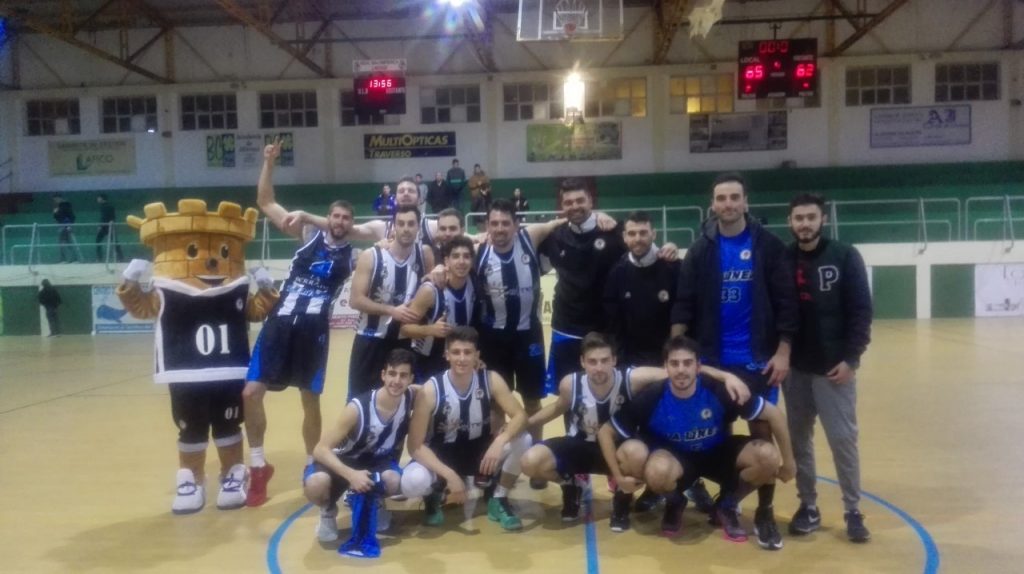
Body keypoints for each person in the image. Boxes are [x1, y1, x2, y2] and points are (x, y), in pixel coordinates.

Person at [670, 172, 798, 550]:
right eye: (721, 198)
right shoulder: (701, 250)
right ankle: (721, 497)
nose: (728, 204)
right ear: (713, 204)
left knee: (763, 436)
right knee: (714, 432)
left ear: (745, 202)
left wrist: (783, 351)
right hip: (713, 361)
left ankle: (763, 512)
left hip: (758, 361)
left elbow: (787, 303)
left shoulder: (768, 246)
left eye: (734, 197)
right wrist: (675, 350)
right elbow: (684, 304)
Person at [519, 332, 749, 525]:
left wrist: (727, 376)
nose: (599, 367)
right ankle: (571, 485)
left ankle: (622, 498)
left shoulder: (632, 379)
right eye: (592, 361)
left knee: (637, 450)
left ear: (614, 360)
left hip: (618, 450)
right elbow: (557, 408)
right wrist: (523, 425)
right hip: (579, 445)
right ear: (582, 362)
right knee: (530, 461)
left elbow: (681, 370)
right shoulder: (571, 384)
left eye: (604, 360)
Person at [243, 139, 357, 507]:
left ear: (350, 223)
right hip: (279, 323)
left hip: (313, 332)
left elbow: (380, 235)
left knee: (310, 401)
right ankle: (258, 465)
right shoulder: (306, 233)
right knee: (250, 393)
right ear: (329, 217)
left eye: (346, 218)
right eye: (335, 216)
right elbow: (265, 202)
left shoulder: (354, 255)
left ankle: (312, 465)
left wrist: (313, 215)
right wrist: (269, 162)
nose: (339, 222)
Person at [597, 336, 796, 542]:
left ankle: (727, 505)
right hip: (677, 460)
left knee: (767, 456)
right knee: (656, 471)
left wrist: (789, 462)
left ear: (698, 366)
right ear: (666, 367)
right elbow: (606, 431)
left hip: (717, 454)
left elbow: (774, 414)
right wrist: (618, 477)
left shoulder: (719, 390)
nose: (681, 370)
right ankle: (675, 502)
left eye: (687, 363)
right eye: (674, 363)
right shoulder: (652, 396)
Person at [783, 193, 873, 543]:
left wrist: (852, 358)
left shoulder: (845, 256)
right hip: (795, 370)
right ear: (790, 222)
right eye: (799, 218)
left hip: (834, 370)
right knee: (799, 441)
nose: (804, 224)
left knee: (842, 440)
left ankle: (853, 510)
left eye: (811, 217)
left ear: (824, 219)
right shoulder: (783, 258)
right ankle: (808, 505)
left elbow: (861, 311)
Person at [540, 178, 675, 395]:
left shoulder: (614, 231)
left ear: (591, 201)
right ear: (562, 206)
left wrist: (669, 247)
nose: (574, 206)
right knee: (567, 392)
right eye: (568, 202)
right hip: (565, 327)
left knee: (609, 392)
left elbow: (645, 248)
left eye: (580, 200)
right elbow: (528, 250)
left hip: (605, 330)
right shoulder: (554, 236)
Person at [400, 327, 532, 531]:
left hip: (479, 453)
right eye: (456, 352)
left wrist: (500, 440)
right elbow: (415, 446)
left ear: (477, 355)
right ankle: (433, 494)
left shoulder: (491, 379)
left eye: (467, 352)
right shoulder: (431, 389)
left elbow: (520, 416)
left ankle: (499, 497)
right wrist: (450, 475)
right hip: (442, 454)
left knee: (524, 439)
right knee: (412, 482)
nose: (461, 358)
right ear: (447, 355)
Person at [475, 199, 571, 477]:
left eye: (506, 223)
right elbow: (448, 243)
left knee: (531, 401)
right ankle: (496, 463)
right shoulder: (479, 249)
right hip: (493, 339)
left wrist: (600, 218)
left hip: (528, 337)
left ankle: (535, 459)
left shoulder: (530, 237)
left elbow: (559, 222)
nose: (500, 228)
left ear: (516, 224)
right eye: (494, 223)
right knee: (496, 404)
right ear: (487, 225)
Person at [305, 349, 418, 549]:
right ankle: (327, 511)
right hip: (344, 462)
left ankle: (375, 502)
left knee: (393, 480)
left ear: (411, 379)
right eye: (392, 374)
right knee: (316, 484)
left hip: (376, 462)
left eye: (403, 375)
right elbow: (320, 449)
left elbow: (439, 387)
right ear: (383, 375)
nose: (396, 381)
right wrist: (351, 474)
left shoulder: (412, 395)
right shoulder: (357, 408)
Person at [348, 206, 429, 400]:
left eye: (411, 224)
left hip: (405, 342)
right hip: (370, 338)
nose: (406, 228)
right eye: (401, 223)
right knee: (360, 400)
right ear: (393, 226)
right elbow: (355, 300)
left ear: (418, 227)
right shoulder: (371, 256)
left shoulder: (424, 255)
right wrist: (391, 311)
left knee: (402, 401)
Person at [604, 210, 679, 367]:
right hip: (630, 361)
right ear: (624, 237)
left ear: (654, 234)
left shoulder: (673, 268)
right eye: (632, 234)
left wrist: (673, 355)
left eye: (643, 233)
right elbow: (613, 324)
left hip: (667, 359)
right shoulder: (617, 273)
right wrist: (620, 361)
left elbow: (682, 314)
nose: (637, 239)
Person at [402, 235, 477, 382]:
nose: (461, 261)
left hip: (459, 360)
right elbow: (404, 329)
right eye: (455, 256)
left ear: (472, 261)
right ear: (446, 261)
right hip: (428, 361)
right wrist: (430, 330)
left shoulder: (473, 281)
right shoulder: (430, 291)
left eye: (466, 256)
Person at [95, 194, 124, 262]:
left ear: (102, 198)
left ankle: (100, 258)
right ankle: (120, 258)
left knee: (100, 241)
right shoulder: (107, 206)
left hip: (106, 227)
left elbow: (105, 218)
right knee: (113, 242)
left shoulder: (107, 207)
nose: (97, 199)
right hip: (106, 226)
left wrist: (100, 226)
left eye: (99, 198)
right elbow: (111, 217)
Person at [52, 194, 78, 263]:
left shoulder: (65, 206)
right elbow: (57, 217)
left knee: (64, 242)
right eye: (54, 200)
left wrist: (69, 225)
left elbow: (71, 216)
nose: (55, 201)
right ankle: (71, 259)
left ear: (59, 198)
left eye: (56, 199)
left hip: (65, 226)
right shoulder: (59, 207)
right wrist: (55, 213)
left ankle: (67, 259)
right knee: (66, 242)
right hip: (62, 226)